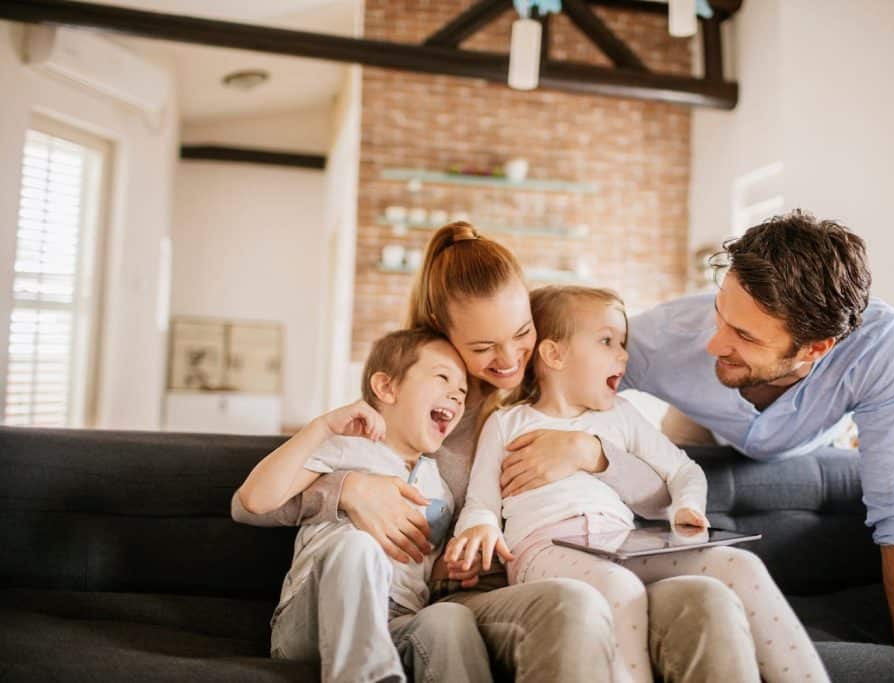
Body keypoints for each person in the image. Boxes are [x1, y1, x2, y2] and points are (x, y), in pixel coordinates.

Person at [232, 222, 761, 682]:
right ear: (445, 340)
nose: (509, 359)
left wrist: (590, 453)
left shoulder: (566, 394)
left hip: (577, 566)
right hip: (478, 594)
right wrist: (349, 489)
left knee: (706, 598)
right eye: (483, 349)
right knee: (556, 605)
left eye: (522, 333)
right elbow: (259, 502)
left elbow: (658, 497)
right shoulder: (423, 408)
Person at [448, 285, 829, 683]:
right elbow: (481, 502)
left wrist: (687, 507)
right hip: (542, 550)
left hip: (621, 545)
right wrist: (480, 527)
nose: (624, 355)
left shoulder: (621, 416)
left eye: (623, 342)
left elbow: (684, 471)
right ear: (554, 354)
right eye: (607, 341)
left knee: (741, 564)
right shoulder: (508, 424)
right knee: (618, 586)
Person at [621, 210, 894, 651]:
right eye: (720, 315)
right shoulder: (662, 336)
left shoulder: (883, 347)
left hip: (814, 438)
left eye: (745, 336)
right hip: (696, 426)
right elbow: (556, 386)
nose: (714, 344)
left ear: (817, 348)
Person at [236, 329, 491, 683]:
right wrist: (321, 427)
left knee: (450, 619)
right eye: (442, 377)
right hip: (315, 617)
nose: (456, 394)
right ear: (386, 388)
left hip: (397, 622)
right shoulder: (345, 445)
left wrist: (449, 572)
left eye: (462, 390)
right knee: (356, 545)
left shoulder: (441, 487)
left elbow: (420, 571)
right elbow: (254, 501)